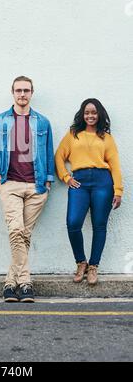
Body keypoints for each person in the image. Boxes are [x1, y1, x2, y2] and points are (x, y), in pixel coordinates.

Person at [0, 76, 54, 302]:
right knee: (16, 231)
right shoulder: (0, 121)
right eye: (18, 90)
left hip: (36, 185)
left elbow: (48, 151)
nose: (22, 94)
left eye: (26, 90)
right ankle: (26, 284)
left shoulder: (42, 122)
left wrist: (47, 181)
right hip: (10, 183)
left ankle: (9, 284)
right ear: (12, 92)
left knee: (24, 235)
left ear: (32, 92)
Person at [55, 98, 123, 285]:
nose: (90, 116)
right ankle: (81, 262)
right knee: (73, 222)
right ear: (82, 114)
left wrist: (118, 190)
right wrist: (66, 177)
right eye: (87, 112)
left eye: (94, 112)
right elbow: (59, 157)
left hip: (103, 182)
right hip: (80, 182)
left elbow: (115, 165)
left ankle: (94, 266)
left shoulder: (106, 138)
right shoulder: (73, 134)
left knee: (99, 225)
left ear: (99, 114)